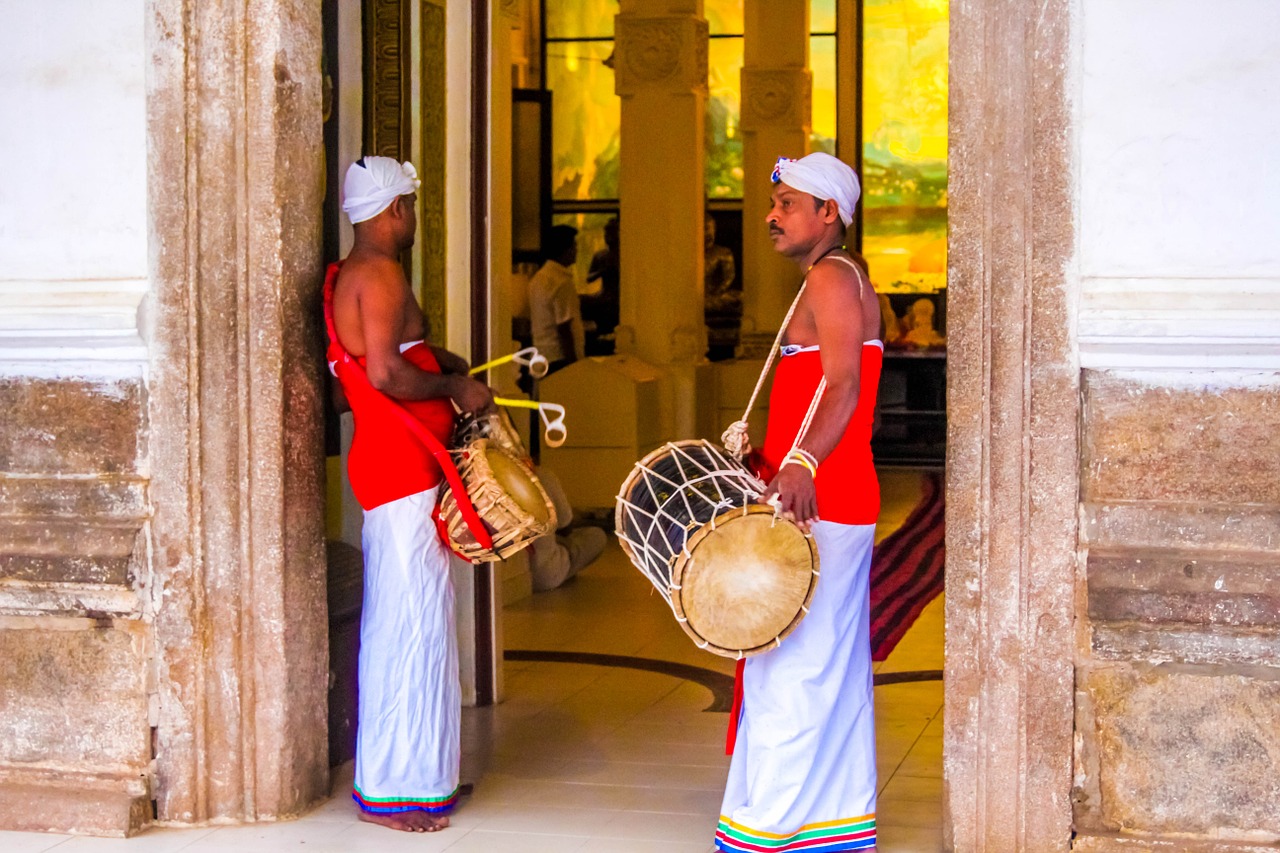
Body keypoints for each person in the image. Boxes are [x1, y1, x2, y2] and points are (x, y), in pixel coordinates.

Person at [716, 152, 883, 853]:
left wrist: (803, 460)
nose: (771, 215)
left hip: (826, 494)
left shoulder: (833, 276)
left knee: (794, 663)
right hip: (822, 493)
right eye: (774, 201)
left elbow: (844, 382)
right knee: (818, 664)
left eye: (787, 204)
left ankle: (777, 829)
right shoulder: (828, 277)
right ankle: (828, 825)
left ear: (828, 213)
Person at [325, 156, 494, 834]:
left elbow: (385, 359)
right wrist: (454, 388)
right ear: (394, 210)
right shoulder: (384, 273)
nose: (414, 220)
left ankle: (425, 776)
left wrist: (444, 363)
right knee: (411, 623)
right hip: (403, 465)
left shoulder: (354, 274)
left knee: (413, 615)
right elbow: (390, 373)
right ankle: (399, 789)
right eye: (412, 208)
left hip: (391, 463)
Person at [528, 225, 586, 375]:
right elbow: (564, 327)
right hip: (560, 359)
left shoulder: (538, 278)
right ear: (565, 249)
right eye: (574, 246)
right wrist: (574, 366)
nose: (576, 251)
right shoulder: (561, 281)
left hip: (541, 354)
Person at [703, 212, 740, 361]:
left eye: (711, 229)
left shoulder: (722, 253)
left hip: (715, 296)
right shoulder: (689, 254)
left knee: (738, 298)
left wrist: (716, 291)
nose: (708, 233)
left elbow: (728, 279)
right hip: (697, 298)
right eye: (705, 229)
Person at [582, 216, 620, 355]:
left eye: (611, 232)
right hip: (605, 295)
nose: (607, 237)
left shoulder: (625, 255)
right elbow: (589, 278)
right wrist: (602, 271)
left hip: (617, 298)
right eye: (606, 233)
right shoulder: (601, 255)